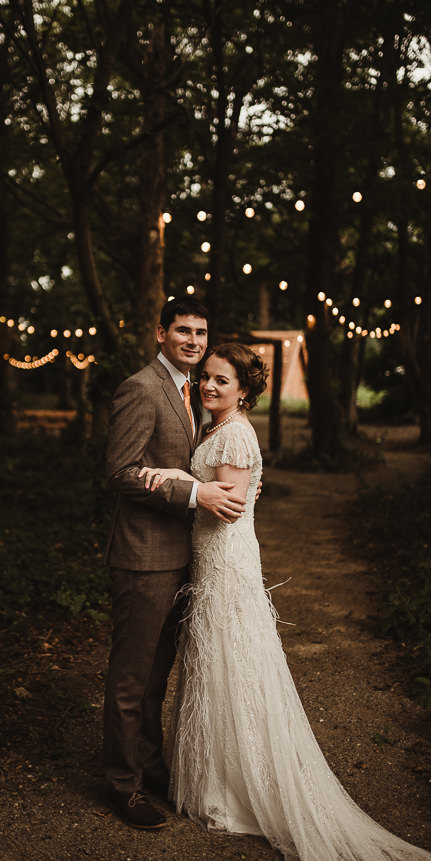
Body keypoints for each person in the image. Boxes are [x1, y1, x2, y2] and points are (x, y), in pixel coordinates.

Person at [138, 342, 431, 861]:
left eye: (222, 380)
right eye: (207, 378)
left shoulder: (235, 433)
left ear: (244, 390)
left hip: (226, 569)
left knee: (233, 668)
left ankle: (238, 789)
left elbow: (229, 509)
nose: (210, 386)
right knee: (213, 670)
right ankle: (212, 776)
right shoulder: (213, 426)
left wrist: (179, 479)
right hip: (210, 564)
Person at [103, 297, 248, 831]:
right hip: (142, 557)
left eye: (201, 332)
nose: (193, 340)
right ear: (160, 332)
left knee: (155, 679)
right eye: (182, 330)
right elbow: (121, 471)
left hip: (181, 557)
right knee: (130, 679)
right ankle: (122, 785)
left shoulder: (192, 393)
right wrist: (194, 496)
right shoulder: (141, 388)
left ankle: (150, 765)